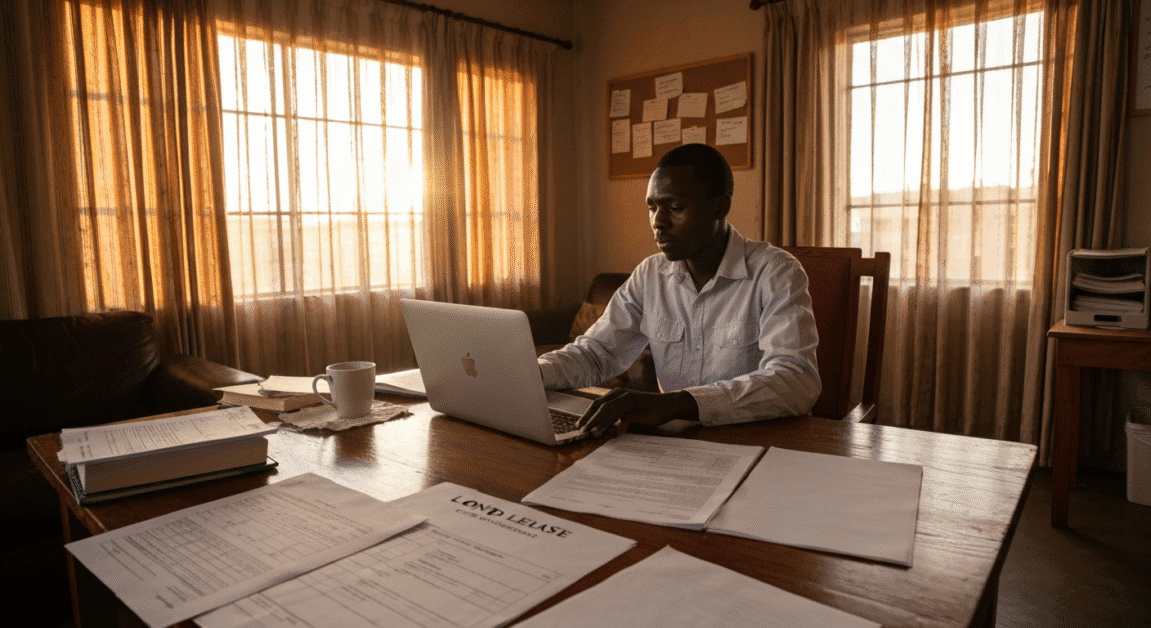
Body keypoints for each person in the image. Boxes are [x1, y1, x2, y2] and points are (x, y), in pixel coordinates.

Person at [537, 143, 821, 437]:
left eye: (675, 208)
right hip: (678, 443)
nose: (658, 222)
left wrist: (677, 403)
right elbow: (597, 353)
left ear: (719, 207)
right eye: (652, 207)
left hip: (757, 440)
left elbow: (796, 381)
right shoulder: (650, 275)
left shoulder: (775, 272)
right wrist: (532, 374)